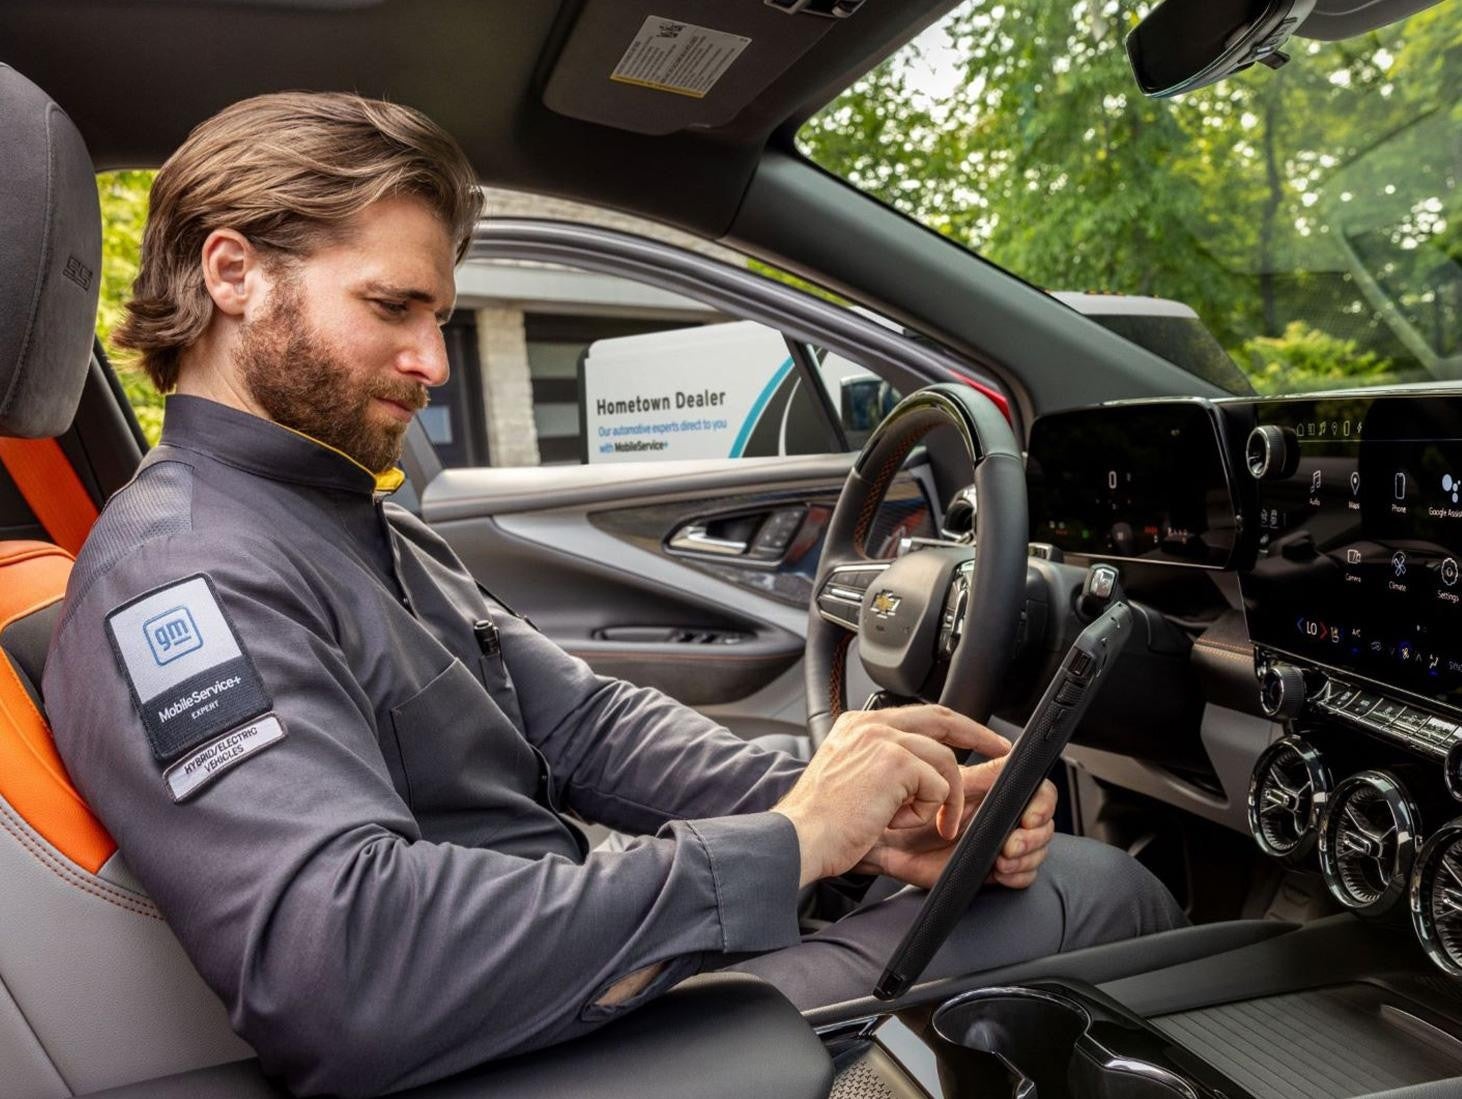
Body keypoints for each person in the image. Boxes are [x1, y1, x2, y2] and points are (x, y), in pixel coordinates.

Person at [45, 92, 1184, 1098]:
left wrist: (871, 812)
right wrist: (788, 845)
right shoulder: (185, 572)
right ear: (234, 273)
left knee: (1037, 885)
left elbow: (582, 726)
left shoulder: (349, 518)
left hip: (558, 990)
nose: (432, 360)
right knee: (1099, 893)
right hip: (517, 1052)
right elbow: (345, 969)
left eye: (438, 316)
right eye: (393, 306)